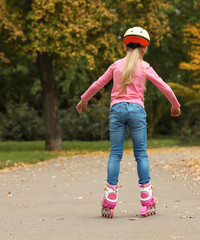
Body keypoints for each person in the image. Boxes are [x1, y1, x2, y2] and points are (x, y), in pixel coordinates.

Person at [76, 27, 181, 218]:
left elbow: (98, 83)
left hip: (116, 110)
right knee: (141, 154)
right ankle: (147, 201)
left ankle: (109, 202)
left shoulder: (116, 65)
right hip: (136, 110)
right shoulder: (145, 67)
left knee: (115, 154)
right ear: (144, 49)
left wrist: (84, 99)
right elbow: (164, 86)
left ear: (125, 47)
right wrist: (175, 105)